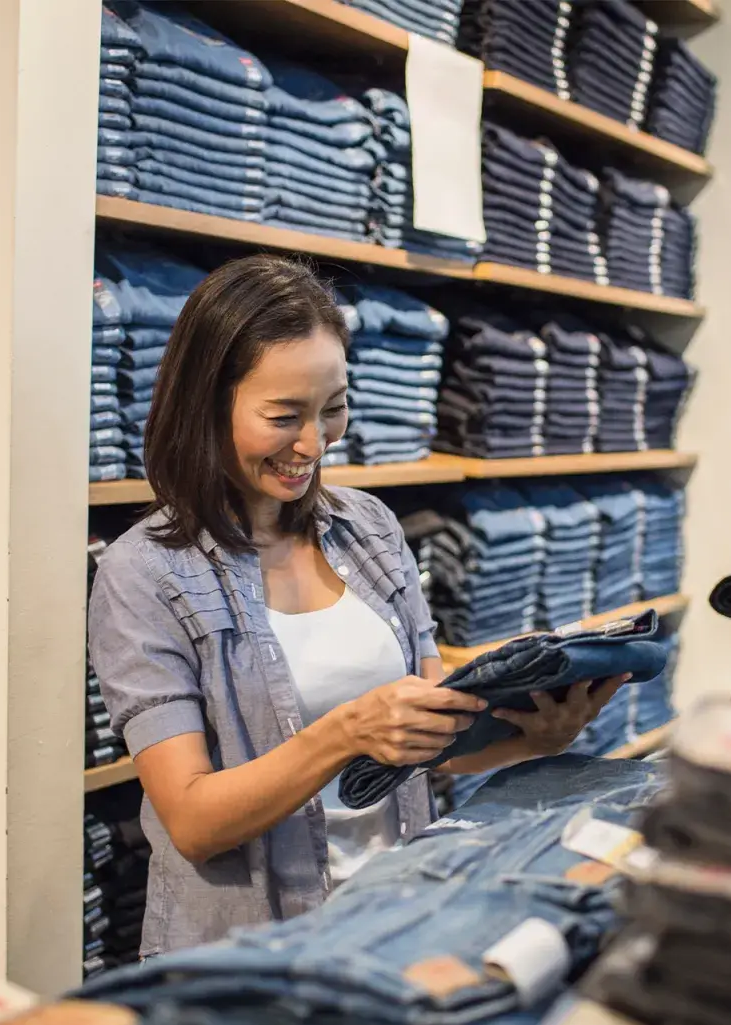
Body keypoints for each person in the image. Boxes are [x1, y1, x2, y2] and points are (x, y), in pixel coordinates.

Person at [88, 255, 627, 954]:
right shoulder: (145, 572)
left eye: (333, 407)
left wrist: (533, 737)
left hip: (398, 918)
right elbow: (192, 819)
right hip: (255, 952)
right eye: (285, 416)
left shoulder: (368, 528)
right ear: (206, 404)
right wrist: (345, 733)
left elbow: (428, 745)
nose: (314, 444)